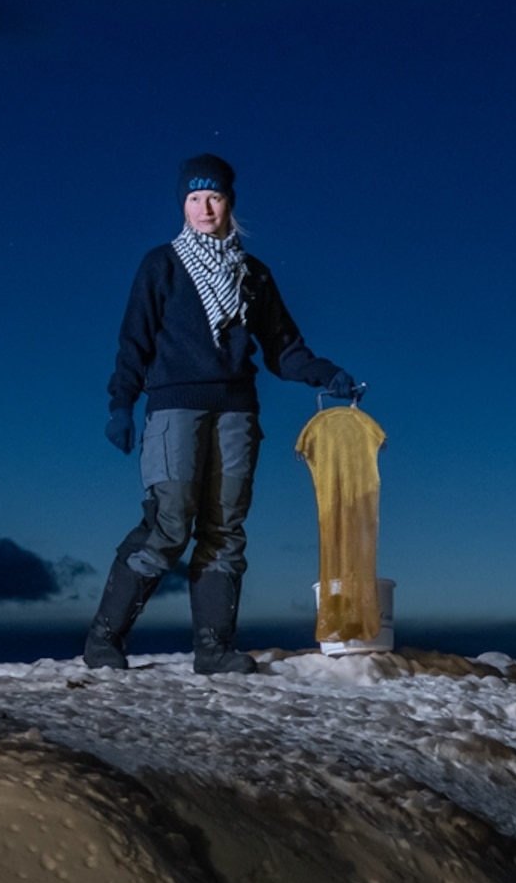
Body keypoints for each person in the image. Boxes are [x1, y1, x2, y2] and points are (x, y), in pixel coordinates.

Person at [86, 153, 362, 675]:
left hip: (236, 410)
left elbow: (283, 347)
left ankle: (213, 650)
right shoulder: (161, 265)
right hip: (175, 408)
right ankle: (104, 639)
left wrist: (326, 374)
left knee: (225, 527)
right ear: (183, 205)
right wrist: (121, 405)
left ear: (229, 202)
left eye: (214, 197)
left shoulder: (252, 274)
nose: (205, 208)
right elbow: (133, 345)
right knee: (170, 523)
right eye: (194, 198)